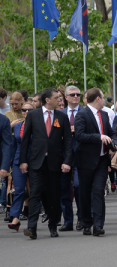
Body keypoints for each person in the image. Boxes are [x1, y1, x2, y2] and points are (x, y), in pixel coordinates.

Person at [19, 88, 72, 239]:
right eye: (57, 98)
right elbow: (25, 140)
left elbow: (68, 141)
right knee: (35, 194)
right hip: (36, 162)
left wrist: (67, 161)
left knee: (53, 195)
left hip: (55, 162)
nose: (60, 101)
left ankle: (53, 224)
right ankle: (31, 227)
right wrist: (23, 161)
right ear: (47, 100)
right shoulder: (33, 115)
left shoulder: (62, 117)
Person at [74, 88, 117, 236]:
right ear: (97, 99)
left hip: (102, 160)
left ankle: (98, 225)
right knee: (85, 192)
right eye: (103, 97)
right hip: (85, 160)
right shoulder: (82, 114)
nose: (104, 100)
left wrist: (114, 143)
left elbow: (111, 133)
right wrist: (98, 137)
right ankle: (86, 222)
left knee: (98, 191)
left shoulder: (104, 115)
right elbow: (79, 135)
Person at [58, 85, 83, 231]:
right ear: (66, 97)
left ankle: (81, 216)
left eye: (78, 94)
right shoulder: (59, 114)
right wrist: (66, 132)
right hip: (63, 155)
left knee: (79, 186)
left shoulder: (86, 113)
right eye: (72, 95)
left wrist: (77, 130)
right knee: (64, 189)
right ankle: (67, 220)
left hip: (80, 154)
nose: (76, 97)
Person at [7, 102, 34, 231]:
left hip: (35, 161)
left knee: (36, 191)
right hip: (18, 161)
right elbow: (13, 145)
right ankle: (15, 217)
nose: (26, 112)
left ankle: (39, 217)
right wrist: (10, 163)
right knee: (19, 190)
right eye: (24, 110)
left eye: (29, 110)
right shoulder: (17, 126)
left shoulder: (38, 126)